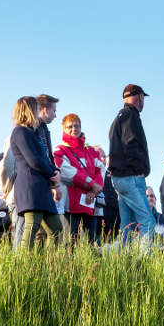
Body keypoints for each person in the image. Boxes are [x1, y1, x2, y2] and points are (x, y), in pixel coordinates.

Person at [10, 96, 64, 249]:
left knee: (56, 230)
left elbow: (45, 158)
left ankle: (49, 264)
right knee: (31, 228)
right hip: (30, 187)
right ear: (29, 110)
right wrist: (52, 174)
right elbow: (33, 160)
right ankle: (23, 266)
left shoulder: (34, 132)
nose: (39, 111)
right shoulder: (20, 131)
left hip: (42, 187)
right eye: (36, 108)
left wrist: (55, 171)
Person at [108, 84, 154, 247]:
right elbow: (130, 145)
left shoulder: (118, 117)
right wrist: (139, 170)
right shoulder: (130, 115)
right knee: (148, 222)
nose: (143, 103)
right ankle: (144, 263)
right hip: (131, 178)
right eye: (142, 98)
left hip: (121, 179)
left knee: (127, 225)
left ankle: (119, 260)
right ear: (139, 97)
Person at [55, 113, 104, 244]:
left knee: (93, 242)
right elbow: (67, 172)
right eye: (69, 126)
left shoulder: (91, 150)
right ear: (63, 129)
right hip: (70, 204)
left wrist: (93, 191)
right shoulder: (60, 150)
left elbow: (101, 170)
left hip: (90, 201)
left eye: (76, 126)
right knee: (70, 242)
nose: (73, 129)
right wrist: (91, 184)